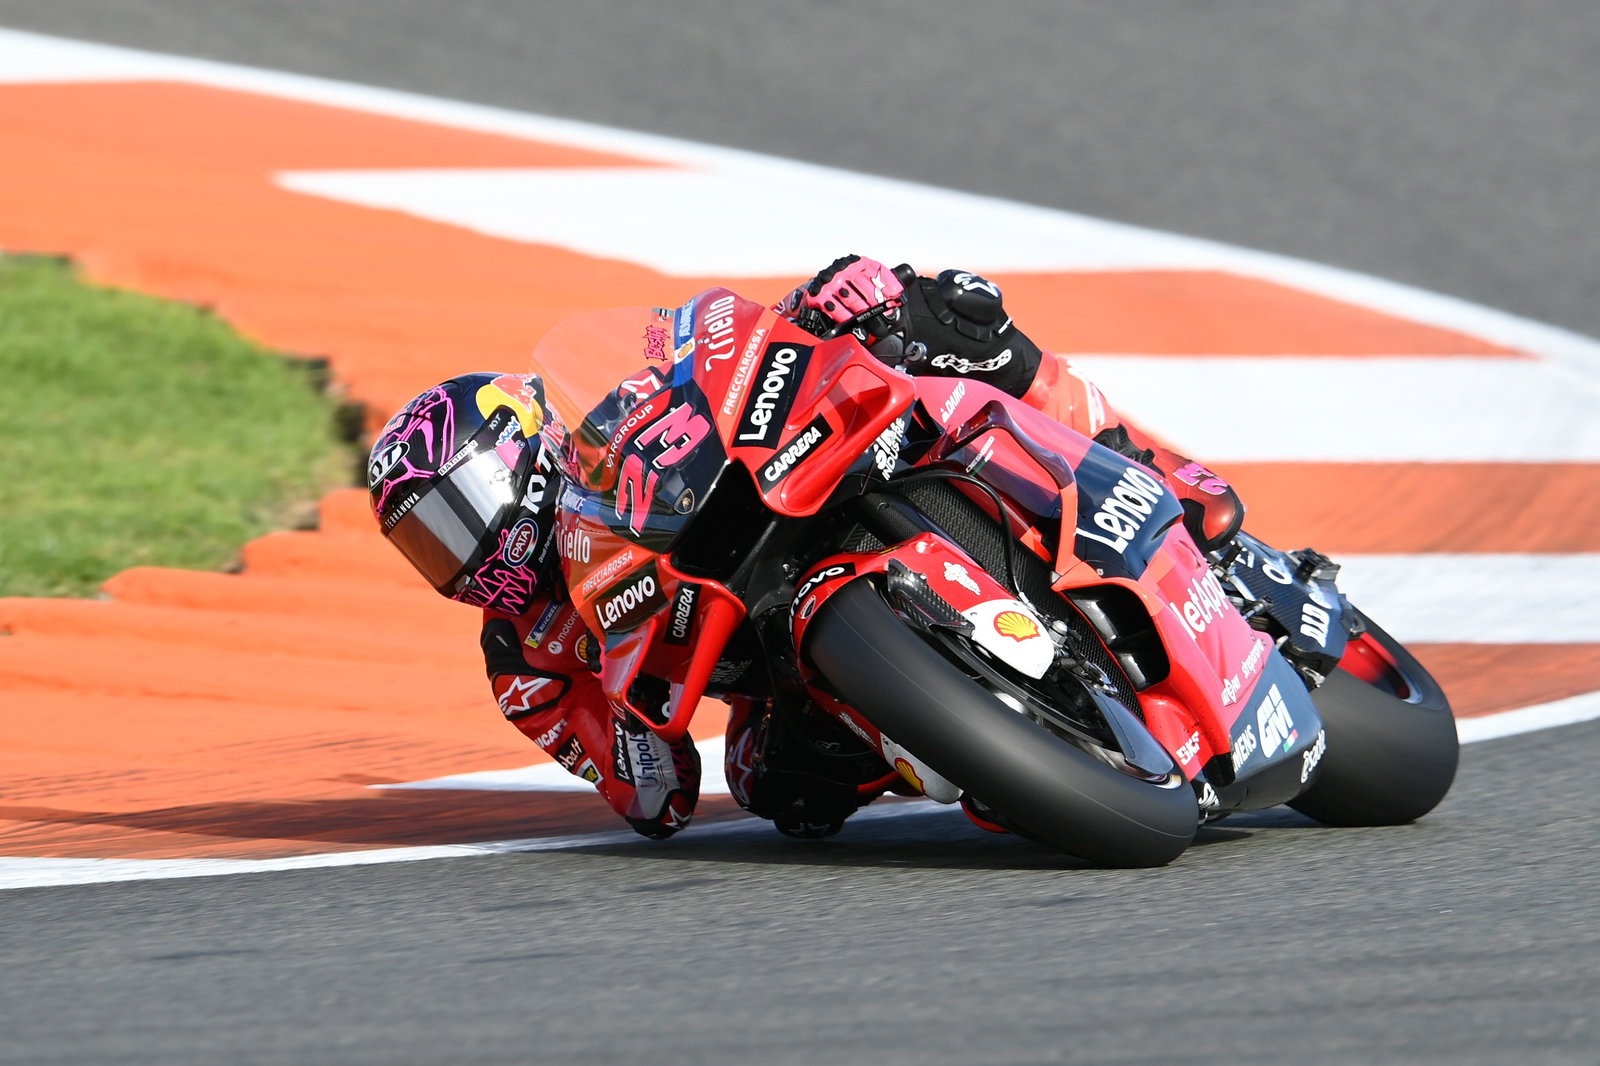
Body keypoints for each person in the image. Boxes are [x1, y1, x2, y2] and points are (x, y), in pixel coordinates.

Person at [366, 256, 1244, 842]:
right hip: (764, 662)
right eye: (425, 544)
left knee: (942, 315)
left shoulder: (612, 415)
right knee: (771, 790)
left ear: (522, 448)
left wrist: (816, 307)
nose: (457, 554)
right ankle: (990, 741)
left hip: (797, 489)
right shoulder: (525, 664)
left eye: (456, 514)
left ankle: (1143, 467)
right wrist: (631, 730)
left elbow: (720, 353)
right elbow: (655, 799)